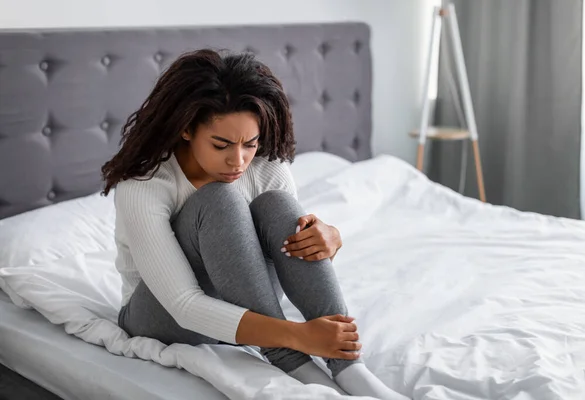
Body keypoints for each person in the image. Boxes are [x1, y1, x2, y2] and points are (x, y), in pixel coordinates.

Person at [101, 49, 407, 399]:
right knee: (220, 198)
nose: (239, 160)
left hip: (244, 306)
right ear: (186, 129)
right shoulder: (145, 186)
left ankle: (349, 366)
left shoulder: (265, 167)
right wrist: (297, 336)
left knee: (278, 204)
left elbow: (289, 261)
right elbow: (182, 303)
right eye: (222, 145)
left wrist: (329, 240)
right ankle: (289, 358)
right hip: (162, 318)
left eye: (250, 143)